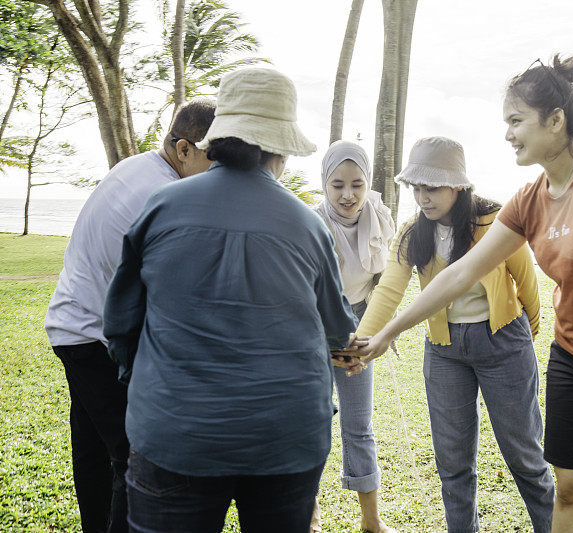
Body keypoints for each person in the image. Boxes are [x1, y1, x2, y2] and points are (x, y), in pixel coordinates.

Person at [349, 56, 573, 532]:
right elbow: (459, 275)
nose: (509, 134)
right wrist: (388, 332)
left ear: (556, 120)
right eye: (506, 123)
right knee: (572, 491)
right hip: (571, 361)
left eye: (516, 121)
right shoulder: (528, 200)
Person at [102, 68, 360, 532]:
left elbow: (120, 323)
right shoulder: (308, 226)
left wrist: (148, 385)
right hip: (285, 439)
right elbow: (338, 328)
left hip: (174, 435)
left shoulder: (161, 206)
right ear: (279, 151)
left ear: (217, 140)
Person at [342, 136, 555, 532]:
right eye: (416, 189)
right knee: (453, 463)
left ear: (457, 185)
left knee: (525, 456)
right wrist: (364, 340)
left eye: (432, 188)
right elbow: (389, 288)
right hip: (444, 351)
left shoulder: (494, 220)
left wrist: (528, 330)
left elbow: (526, 281)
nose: (423, 198)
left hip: (504, 344)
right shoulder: (411, 233)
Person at [44, 100, 215, 533]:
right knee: (130, 458)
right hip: (92, 335)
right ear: (183, 149)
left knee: (93, 452)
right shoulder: (160, 195)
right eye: (214, 157)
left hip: (71, 326)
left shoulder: (137, 167)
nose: (220, 173)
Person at [311, 140, 396, 533]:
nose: (348, 195)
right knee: (309, 422)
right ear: (324, 184)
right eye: (338, 185)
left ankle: (371, 521)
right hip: (314, 326)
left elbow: (385, 283)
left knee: (358, 424)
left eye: (357, 184)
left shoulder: (380, 218)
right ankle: (308, 515)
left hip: (360, 324)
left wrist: (373, 334)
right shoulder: (310, 224)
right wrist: (325, 342)